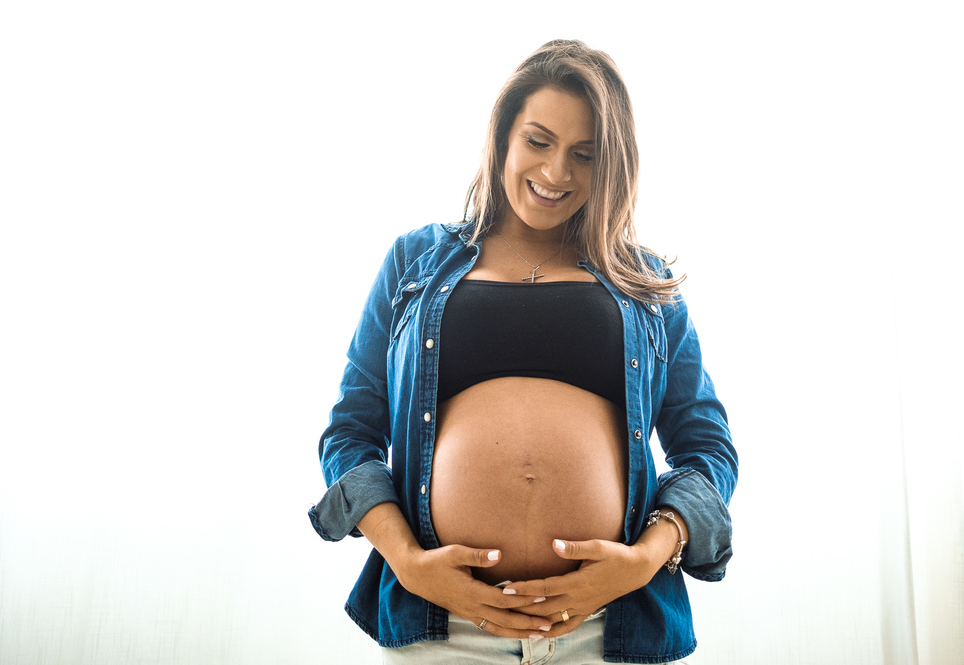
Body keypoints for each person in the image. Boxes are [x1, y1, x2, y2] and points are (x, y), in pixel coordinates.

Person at [309, 40, 737, 664]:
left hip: (606, 627)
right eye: (538, 142)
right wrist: (408, 562)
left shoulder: (642, 283)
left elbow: (706, 446)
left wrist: (644, 559)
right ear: (503, 138)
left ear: (610, 166)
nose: (557, 172)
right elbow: (350, 432)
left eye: (583, 155)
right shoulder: (415, 262)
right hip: (445, 626)